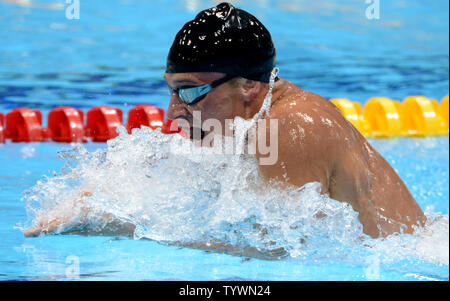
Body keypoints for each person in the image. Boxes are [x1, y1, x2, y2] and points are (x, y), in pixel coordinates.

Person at [26, 2, 425, 239]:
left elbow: (281, 256)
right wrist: (92, 199)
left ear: (248, 86)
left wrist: (125, 228)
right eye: (171, 89)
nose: (174, 110)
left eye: (190, 91)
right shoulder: (251, 120)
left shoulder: (288, 128)